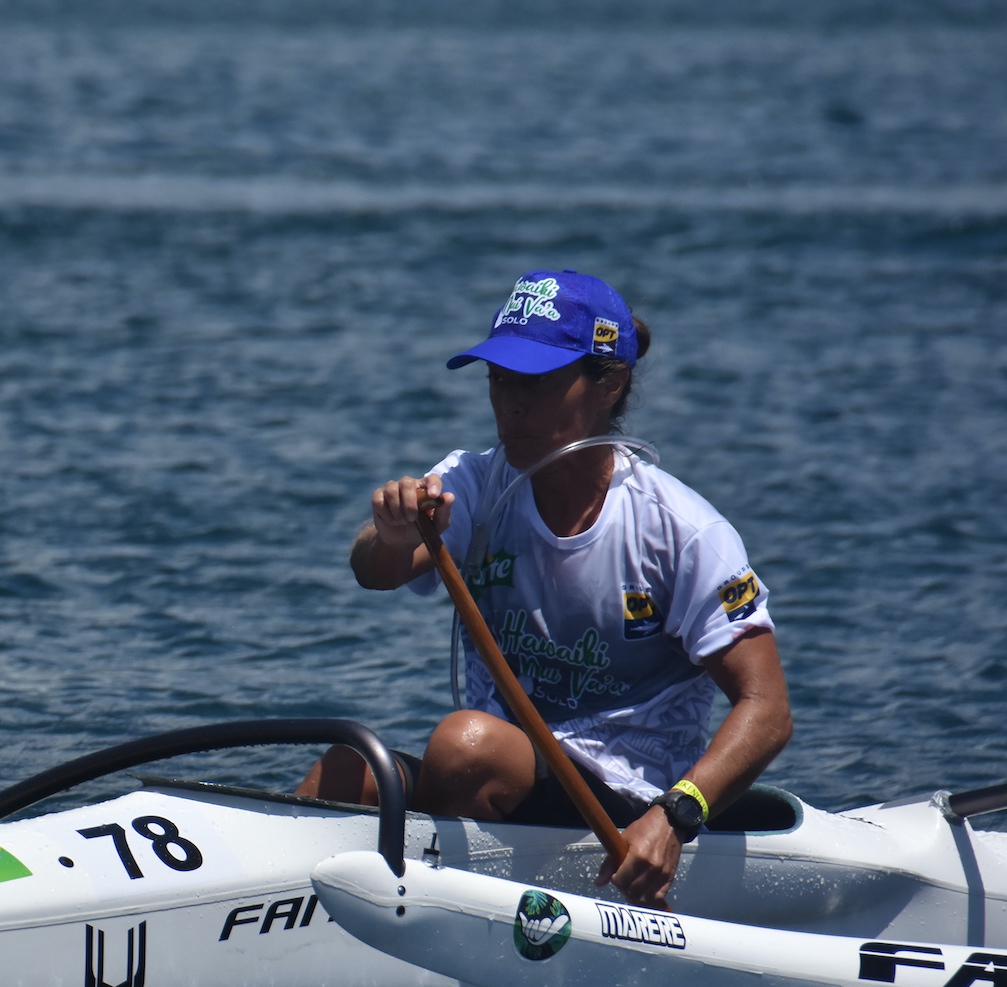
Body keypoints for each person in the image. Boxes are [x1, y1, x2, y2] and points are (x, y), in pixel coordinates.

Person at [298, 269, 792, 908]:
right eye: (499, 379)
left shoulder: (682, 532)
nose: (511, 405)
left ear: (608, 384)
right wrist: (392, 533)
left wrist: (677, 817)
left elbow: (767, 709)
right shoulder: (474, 483)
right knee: (349, 768)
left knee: (464, 743)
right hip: (498, 770)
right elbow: (375, 569)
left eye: (535, 382)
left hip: (622, 806)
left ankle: (418, 911)